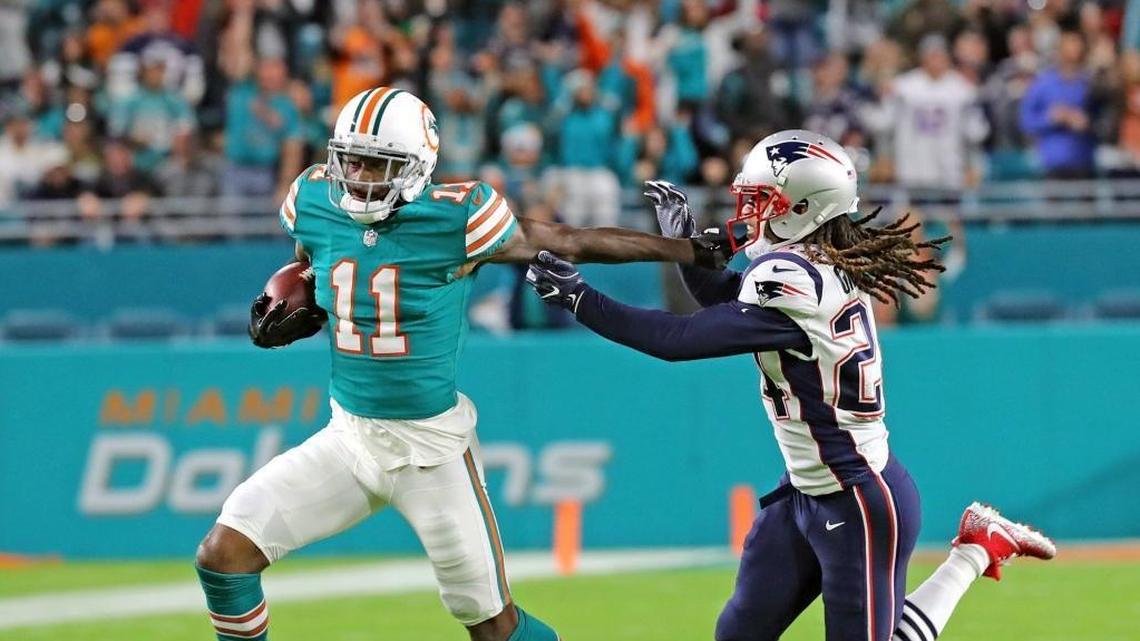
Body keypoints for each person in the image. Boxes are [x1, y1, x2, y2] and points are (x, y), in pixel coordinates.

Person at [192, 86, 730, 641]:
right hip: (348, 438)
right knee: (223, 556)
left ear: (416, 167)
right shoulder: (313, 200)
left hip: (431, 451)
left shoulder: (458, 216)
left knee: (494, 626)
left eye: (376, 163)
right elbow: (310, 266)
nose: (356, 175)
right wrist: (295, 301)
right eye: (349, 158)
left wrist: (685, 251)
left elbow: (568, 240)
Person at [526, 130, 1056, 641]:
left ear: (803, 208)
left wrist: (581, 300)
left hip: (858, 500)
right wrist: (682, 243)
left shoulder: (796, 282)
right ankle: (977, 546)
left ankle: (974, 551)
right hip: (806, 491)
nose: (749, 213)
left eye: (763, 200)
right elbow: (724, 297)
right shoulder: (811, 263)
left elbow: (679, 338)